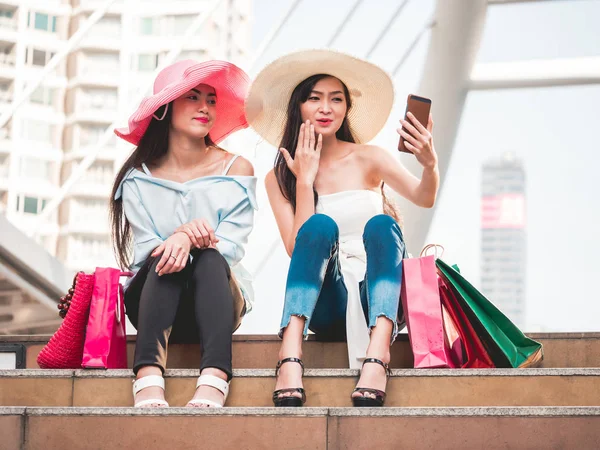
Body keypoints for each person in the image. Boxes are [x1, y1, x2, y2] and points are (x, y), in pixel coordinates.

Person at [246, 50, 439, 407]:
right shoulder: (281, 176)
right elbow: (297, 246)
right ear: (298, 107)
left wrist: (429, 164)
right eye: (315, 98)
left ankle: (378, 356)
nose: (326, 108)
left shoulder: (369, 157)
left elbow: (423, 196)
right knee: (319, 225)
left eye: (336, 99)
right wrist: (305, 181)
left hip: (378, 292)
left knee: (383, 224)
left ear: (346, 109)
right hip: (326, 302)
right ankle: (289, 356)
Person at [110, 59, 256, 408]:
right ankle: (147, 375)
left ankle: (215, 376)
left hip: (216, 302)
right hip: (154, 305)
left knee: (208, 258)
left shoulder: (236, 168)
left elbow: (232, 247)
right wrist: (179, 237)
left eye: (211, 99)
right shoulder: (137, 178)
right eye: (192, 97)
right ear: (165, 108)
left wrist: (188, 238)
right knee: (166, 259)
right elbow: (145, 253)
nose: (205, 107)